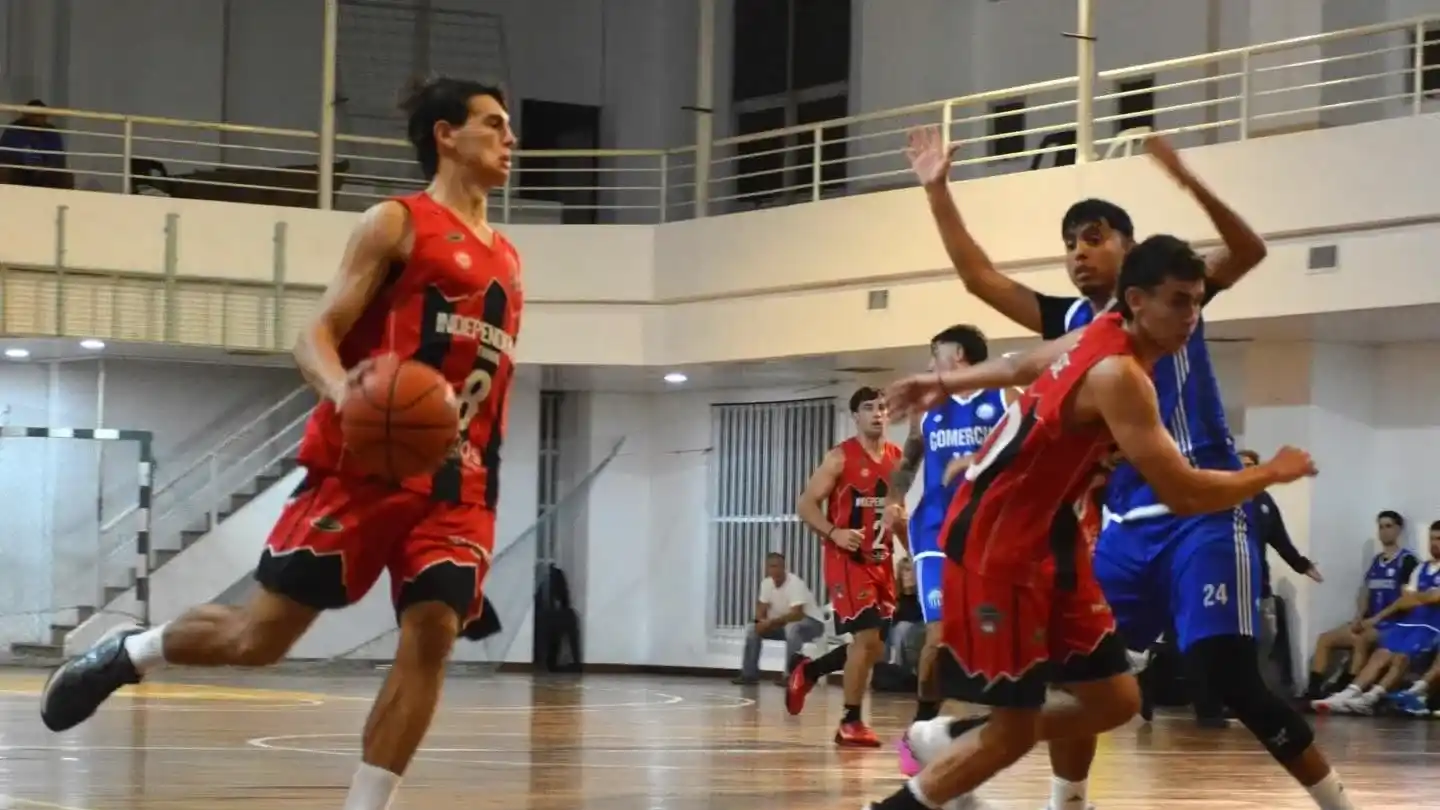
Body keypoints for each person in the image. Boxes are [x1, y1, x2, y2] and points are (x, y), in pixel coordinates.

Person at [39, 77, 520, 810]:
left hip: (458, 484)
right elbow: (313, 335)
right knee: (257, 640)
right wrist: (349, 397)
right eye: (493, 123)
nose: (509, 137)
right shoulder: (397, 223)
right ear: (445, 135)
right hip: (364, 468)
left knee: (432, 632)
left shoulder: (510, 262)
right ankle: (130, 652)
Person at [906, 127, 1354, 810]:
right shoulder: (1077, 323)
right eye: (1070, 244)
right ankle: (1064, 796)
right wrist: (937, 189)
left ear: (1131, 248)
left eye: (1094, 236)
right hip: (1123, 522)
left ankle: (1336, 801)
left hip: (1201, 509)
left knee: (1228, 674)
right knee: (1088, 681)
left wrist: (1186, 179)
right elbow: (985, 288)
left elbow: (1248, 251)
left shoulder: (1171, 298)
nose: (1080, 253)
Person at [885, 324, 1007, 724]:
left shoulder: (1005, 396)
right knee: (937, 638)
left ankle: (970, 721)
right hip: (935, 530)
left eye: (934, 353)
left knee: (984, 637)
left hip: (986, 533)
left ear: (958, 355)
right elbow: (910, 457)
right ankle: (919, 726)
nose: (928, 363)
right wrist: (894, 499)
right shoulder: (927, 407)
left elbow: (1031, 450)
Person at [789, 387, 904, 746]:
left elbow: (897, 516)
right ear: (855, 415)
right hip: (846, 560)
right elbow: (806, 504)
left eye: (882, 407)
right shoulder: (839, 457)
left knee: (874, 648)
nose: (877, 413)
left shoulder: (898, 460)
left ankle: (810, 669)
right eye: (869, 408)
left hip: (881, 559)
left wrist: (915, 553)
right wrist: (834, 532)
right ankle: (850, 721)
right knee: (867, 637)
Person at [1313, 521, 1440, 715]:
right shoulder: (1421, 568)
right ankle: (1347, 694)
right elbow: (1405, 600)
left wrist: (1418, 597)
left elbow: (1430, 597)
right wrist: (1425, 597)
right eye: (1431, 538)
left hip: (1431, 627)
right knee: (1381, 654)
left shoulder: (1409, 562)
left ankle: (1372, 697)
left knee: (1400, 657)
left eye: (1438, 539)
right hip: (1408, 623)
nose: (1434, 543)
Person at [1303, 510, 1416, 701]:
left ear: (1398, 530)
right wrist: (1358, 616)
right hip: (1368, 621)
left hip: (1391, 624)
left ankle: (1347, 688)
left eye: (1388, 526)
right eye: (1380, 527)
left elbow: (1405, 600)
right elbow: (1365, 592)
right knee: (1325, 638)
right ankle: (1313, 690)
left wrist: (1376, 619)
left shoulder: (1407, 561)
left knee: (1361, 639)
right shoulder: (1376, 561)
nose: (1384, 531)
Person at [732, 552, 825, 685]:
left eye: (776, 566)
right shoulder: (766, 584)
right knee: (753, 629)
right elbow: (761, 608)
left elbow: (797, 614)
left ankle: (790, 676)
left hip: (812, 624)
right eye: (770, 566)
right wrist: (760, 622)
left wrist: (772, 622)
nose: (773, 570)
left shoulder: (795, 583)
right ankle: (749, 675)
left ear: (783, 567)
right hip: (783, 623)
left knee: (793, 629)